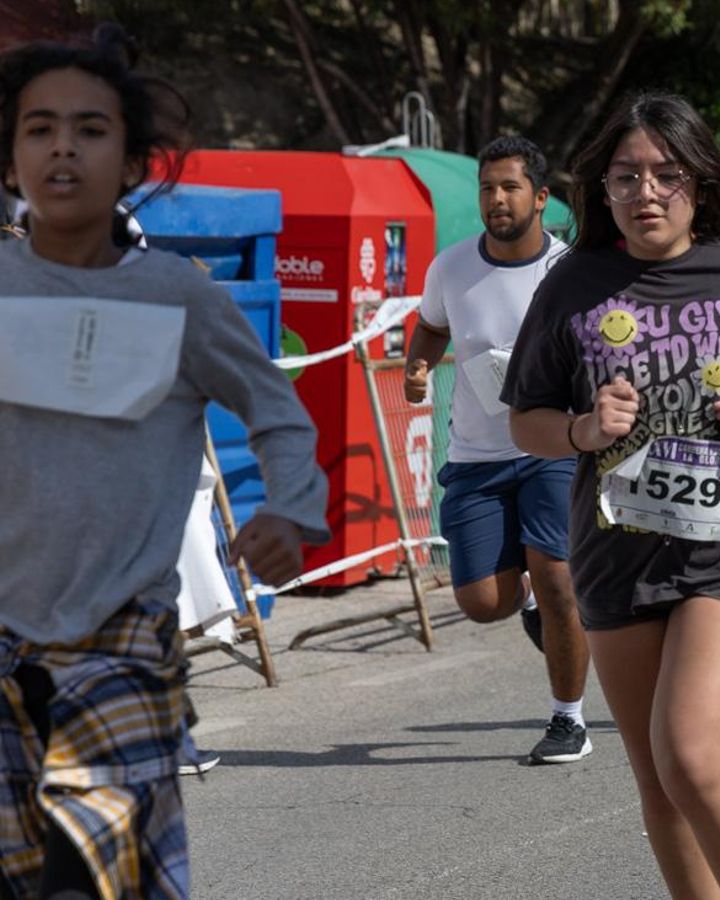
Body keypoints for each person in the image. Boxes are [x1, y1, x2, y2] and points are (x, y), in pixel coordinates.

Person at [0, 25, 329, 898]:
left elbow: (277, 412)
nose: (62, 145)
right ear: (10, 161)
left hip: (122, 643)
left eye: (90, 128)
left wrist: (290, 510)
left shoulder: (177, 294)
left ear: (136, 163)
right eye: (38, 128)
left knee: (87, 870)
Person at [500, 92, 720, 900]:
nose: (646, 192)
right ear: (602, 190)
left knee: (690, 750)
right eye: (626, 177)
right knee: (658, 780)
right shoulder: (575, 284)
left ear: (700, 181)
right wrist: (584, 429)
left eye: (666, 174)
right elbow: (526, 422)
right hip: (615, 554)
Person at [403, 135, 594, 765]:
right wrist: (418, 366)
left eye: (510, 187)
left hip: (553, 447)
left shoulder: (569, 273)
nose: (496, 199)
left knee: (560, 579)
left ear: (540, 198)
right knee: (483, 604)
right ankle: (530, 599)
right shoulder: (451, 267)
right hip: (478, 456)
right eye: (487, 188)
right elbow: (431, 327)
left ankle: (568, 719)